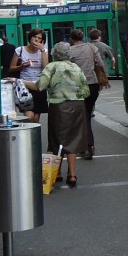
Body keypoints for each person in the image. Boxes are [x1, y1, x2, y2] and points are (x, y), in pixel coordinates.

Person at [29, 42, 89, 187]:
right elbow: (86, 90)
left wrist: (20, 81)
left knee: (57, 139)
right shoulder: (76, 67)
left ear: (54, 54)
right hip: (78, 106)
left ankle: (57, 173)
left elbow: (39, 86)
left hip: (59, 106)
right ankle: (73, 175)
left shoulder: (51, 67)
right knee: (73, 139)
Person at [67, 28, 102, 159]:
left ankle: (87, 145)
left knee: (81, 118)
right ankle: (88, 145)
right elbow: (101, 63)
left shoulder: (70, 51)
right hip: (93, 85)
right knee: (86, 115)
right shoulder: (92, 47)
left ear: (72, 39)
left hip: (77, 87)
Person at [11, 28, 49, 120]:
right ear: (30, 37)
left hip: (38, 86)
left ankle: (34, 135)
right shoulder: (20, 50)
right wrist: (22, 66)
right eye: (34, 37)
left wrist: (42, 50)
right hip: (25, 87)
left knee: (36, 118)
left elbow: (45, 68)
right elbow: (11, 68)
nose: (36, 39)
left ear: (42, 41)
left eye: (39, 38)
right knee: (29, 117)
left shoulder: (44, 51)